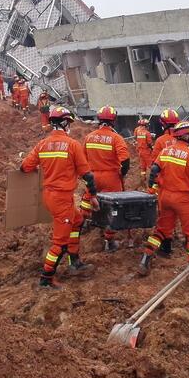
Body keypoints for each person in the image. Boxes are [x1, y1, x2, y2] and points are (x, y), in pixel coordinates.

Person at [20, 106, 99, 289]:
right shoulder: (72, 145)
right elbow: (87, 175)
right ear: (64, 123)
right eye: (69, 123)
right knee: (59, 243)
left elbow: (25, 168)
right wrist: (93, 196)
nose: (69, 126)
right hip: (62, 199)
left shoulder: (42, 144)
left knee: (77, 220)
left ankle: (74, 260)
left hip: (49, 196)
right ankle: (46, 279)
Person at [138, 121, 189, 276]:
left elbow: (154, 171)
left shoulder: (165, 151)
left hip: (165, 197)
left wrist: (152, 189)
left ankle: (145, 258)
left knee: (161, 231)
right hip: (184, 200)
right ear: (185, 136)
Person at [81, 106, 131, 252]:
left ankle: (83, 223)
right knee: (113, 207)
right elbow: (125, 160)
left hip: (93, 175)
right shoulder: (116, 138)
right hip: (111, 177)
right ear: (113, 120)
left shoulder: (89, 137)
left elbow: (83, 159)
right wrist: (122, 173)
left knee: (87, 198)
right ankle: (109, 241)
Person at [133, 116, 154, 184]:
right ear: (146, 125)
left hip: (140, 151)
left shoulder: (138, 131)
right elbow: (149, 143)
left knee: (143, 166)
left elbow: (135, 138)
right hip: (146, 151)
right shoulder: (147, 133)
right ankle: (153, 180)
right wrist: (152, 148)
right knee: (151, 166)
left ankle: (143, 179)